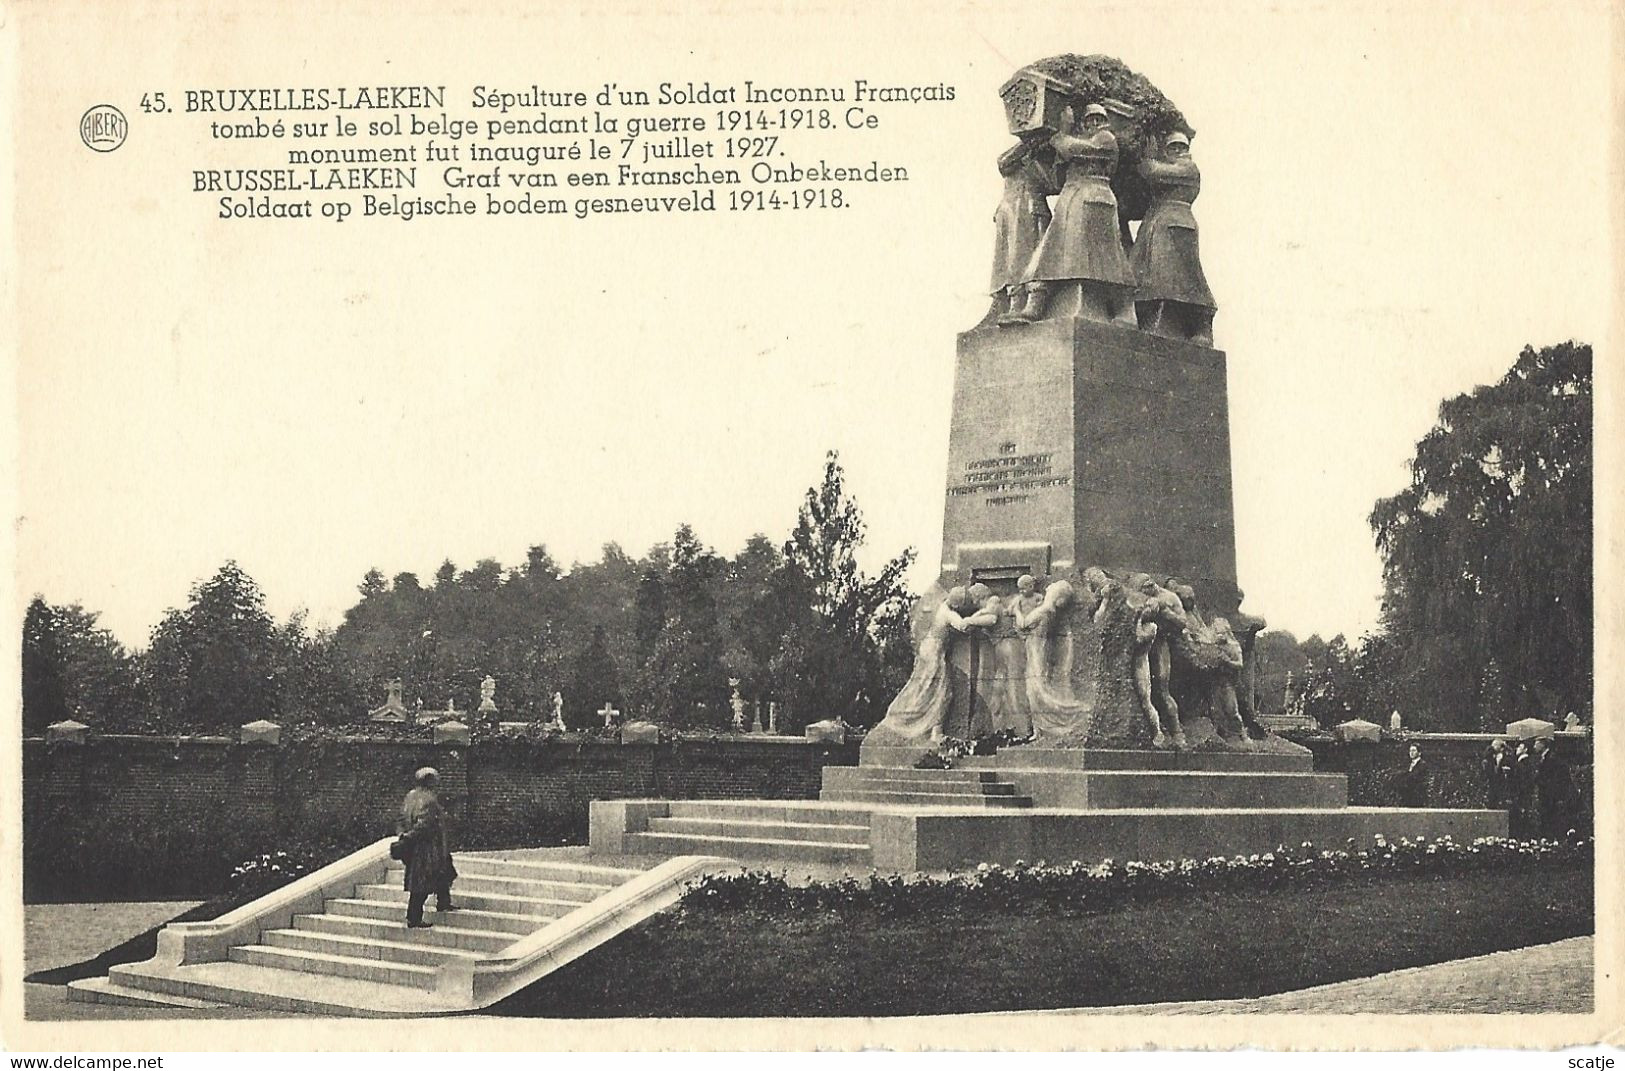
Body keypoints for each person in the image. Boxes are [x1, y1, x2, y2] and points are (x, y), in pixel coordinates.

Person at [1004, 102, 1137, 325]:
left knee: (1110, 258)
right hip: (1072, 198)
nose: (1095, 124)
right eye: (1089, 120)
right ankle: (1035, 301)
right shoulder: (1082, 141)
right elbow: (1057, 179)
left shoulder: (1106, 139)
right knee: (1050, 249)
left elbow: (1073, 148)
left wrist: (1058, 133)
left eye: (1099, 119)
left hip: (1094, 197)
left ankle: (1126, 310)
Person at [397, 767, 457, 928]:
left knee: (445, 871)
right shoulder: (429, 800)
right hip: (428, 848)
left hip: (416, 847)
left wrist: (404, 837)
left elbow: (402, 819)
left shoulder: (410, 796)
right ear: (429, 781)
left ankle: (444, 901)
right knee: (421, 885)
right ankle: (414, 917)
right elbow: (424, 825)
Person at [1532, 737, 1578, 838]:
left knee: (1550, 820)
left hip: (1550, 797)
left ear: (1543, 745)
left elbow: (1555, 778)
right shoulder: (1543, 758)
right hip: (1546, 796)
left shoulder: (1552, 759)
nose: (1534, 746)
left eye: (1536, 744)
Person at [1511, 740, 1536, 835]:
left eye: (1520, 748)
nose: (1517, 749)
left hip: (1522, 795)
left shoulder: (1523, 763)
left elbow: (1522, 781)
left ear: (1525, 750)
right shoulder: (1524, 763)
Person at [1482, 738, 1514, 810]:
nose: (1493, 747)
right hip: (1492, 784)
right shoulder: (1489, 757)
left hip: (1502, 784)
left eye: (1495, 745)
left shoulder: (1507, 757)